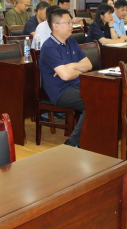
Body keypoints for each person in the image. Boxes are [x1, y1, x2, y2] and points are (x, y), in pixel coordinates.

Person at [39, 8, 92, 147]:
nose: (71, 26)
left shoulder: (72, 42)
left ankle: (94, 139)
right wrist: (78, 69)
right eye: (67, 22)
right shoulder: (49, 47)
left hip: (77, 84)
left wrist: (71, 65)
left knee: (105, 96)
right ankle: (72, 143)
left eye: (71, 22)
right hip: (60, 91)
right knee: (92, 102)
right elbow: (65, 76)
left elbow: (88, 65)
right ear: (55, 26)